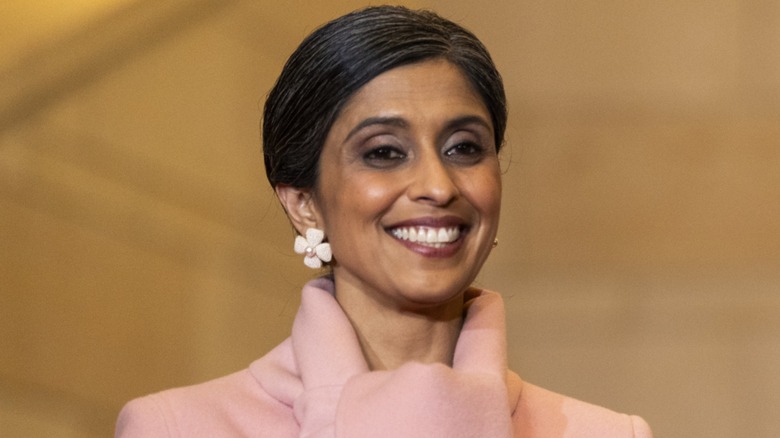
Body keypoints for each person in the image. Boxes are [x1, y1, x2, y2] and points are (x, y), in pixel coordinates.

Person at [115, 6, 652, 437]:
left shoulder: (604, 433)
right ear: (304, 204)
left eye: (464, 147)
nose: (439, 186)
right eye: (384, 153)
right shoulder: (178, 428)